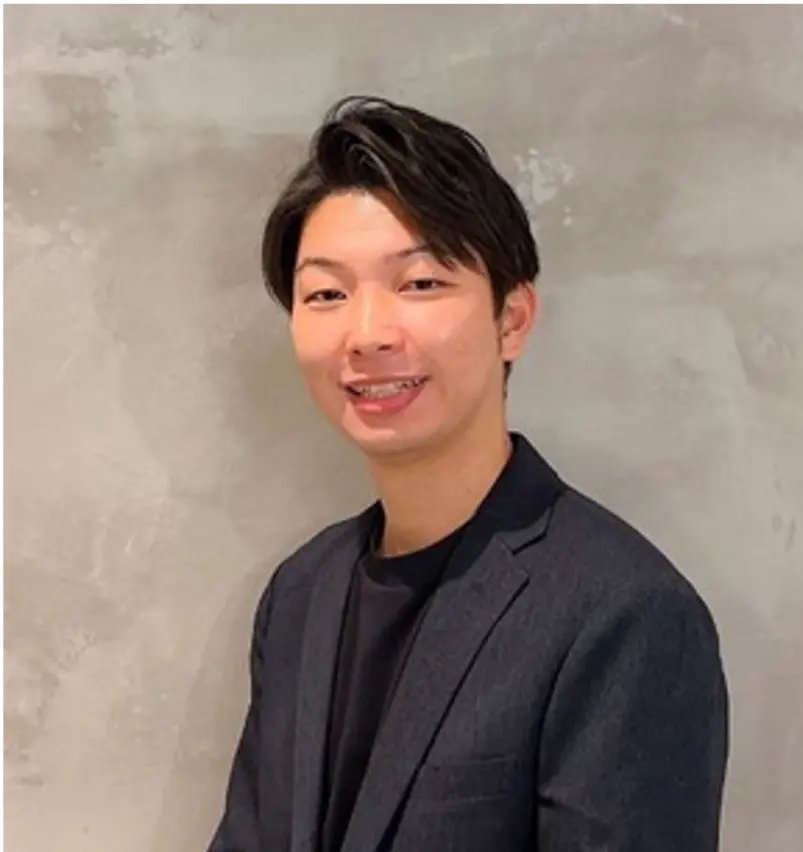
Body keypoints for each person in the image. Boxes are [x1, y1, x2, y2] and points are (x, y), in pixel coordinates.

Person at [208, 95, 728, 852]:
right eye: (327, 294)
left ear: (512, 319)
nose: (367, 333)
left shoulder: (625, 615)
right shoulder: (300, 593)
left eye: (420, 283)